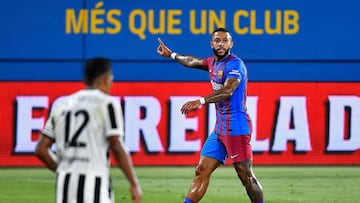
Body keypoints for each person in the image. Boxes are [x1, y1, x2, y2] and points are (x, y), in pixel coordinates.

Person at [157, 28, 265, 203]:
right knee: (201, 170)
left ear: (231, 44)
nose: (220, 44)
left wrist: (200, 101)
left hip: (236, 127)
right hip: (220, 129)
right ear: (211, 43)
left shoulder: (235, 64)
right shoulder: (212, 62)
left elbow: (228, 90)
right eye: (217, 40)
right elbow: (192, 61)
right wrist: (172, 55)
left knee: (246, 176)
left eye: (224, 40)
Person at [35, 57, 142, 203]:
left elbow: (41, 149)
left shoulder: (62, 105)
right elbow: (116, 145)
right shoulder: (107, 104)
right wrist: (133, 183)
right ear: (105, 78)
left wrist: (62, 171)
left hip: (64, 187)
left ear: (85, 79)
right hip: (94, 186)